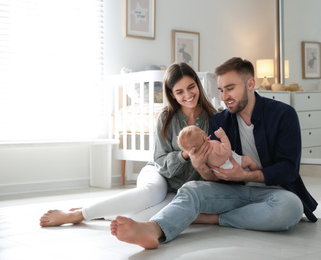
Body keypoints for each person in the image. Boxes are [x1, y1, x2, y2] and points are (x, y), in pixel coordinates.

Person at [110, 57, 318, 249]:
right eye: (220, 90)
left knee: (291, 207)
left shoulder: (283, 114)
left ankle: (211, 218)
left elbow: (288, 169)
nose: (224, 97)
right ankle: (152, 229)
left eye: (230, 89)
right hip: (233, 193)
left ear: (250, 84)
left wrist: (245, 175)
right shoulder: (219, 122)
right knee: (192, 188)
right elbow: (213, 177)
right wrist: (201, 166)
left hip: (273, 192)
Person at [39, 62, 216, 227]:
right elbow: (160, 162)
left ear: (197, 85)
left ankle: (100, 213)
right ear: (171, 94)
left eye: (191, 87)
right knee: (151, 193)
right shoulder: (166, 117)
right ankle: (78, 215)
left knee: (146, 217)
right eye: (180, 91)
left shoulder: (214, 119)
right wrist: (184, 155)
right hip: (158, 173)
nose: (188, 95)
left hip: (183, 187)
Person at [178, 125, 259, 171]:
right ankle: (258, 174)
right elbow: (226, 151)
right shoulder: (212, 147)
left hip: (219, 170)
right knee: (249, 159)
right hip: (229, 164)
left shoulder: (199, 154)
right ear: (203, 136)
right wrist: (223, 137)